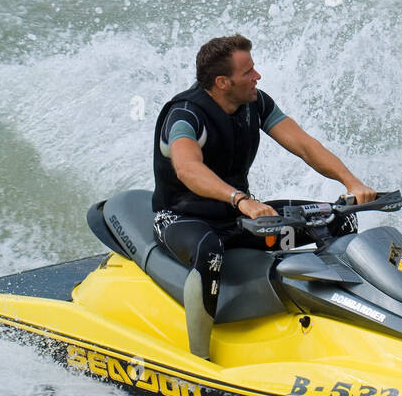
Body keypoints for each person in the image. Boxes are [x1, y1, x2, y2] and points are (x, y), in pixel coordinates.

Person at [152, 34, 377, 361]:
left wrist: (351, 183)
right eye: (249, 72)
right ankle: (199, 357)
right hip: (182, 219)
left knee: (335, 218)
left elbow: (304, 145)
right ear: (222, 82)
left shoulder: (254, 104)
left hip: (238, 219)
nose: (257, 76)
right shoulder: (186, 116)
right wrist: (241, 200)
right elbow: (188, 169)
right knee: (209, 249)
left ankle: (349, 320)